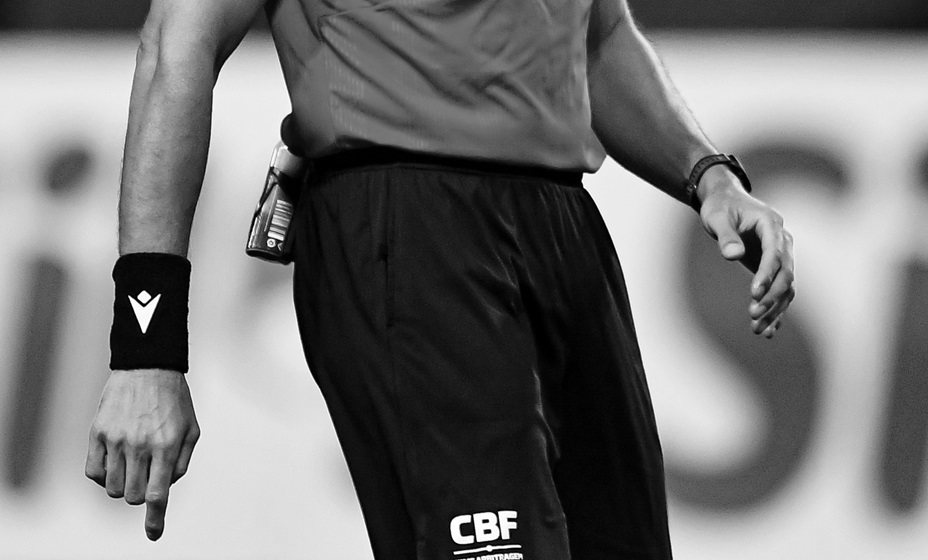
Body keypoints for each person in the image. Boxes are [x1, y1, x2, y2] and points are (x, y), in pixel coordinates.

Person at [85, 0, 796, 558]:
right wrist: (146, 350)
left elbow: (600, 37)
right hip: (407, 220)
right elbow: (176, 47)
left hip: (563, 225)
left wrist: (709, 176)